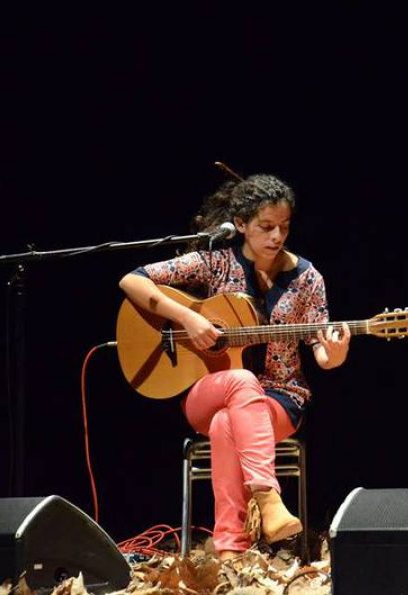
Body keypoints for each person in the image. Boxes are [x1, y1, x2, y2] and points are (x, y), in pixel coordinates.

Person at [119, 173, 350, 560]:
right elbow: (133, 280)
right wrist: (189, 319)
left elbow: (323, 354)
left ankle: (229, 548)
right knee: (240, 381)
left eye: (284, 227)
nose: (277, 236)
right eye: (266, 227)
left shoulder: (307, 278)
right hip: (209, 392)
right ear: (240, 224)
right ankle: (269, 498)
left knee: (228, 423)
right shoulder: (215, 262)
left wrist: (336, 353)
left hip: (281, 397)